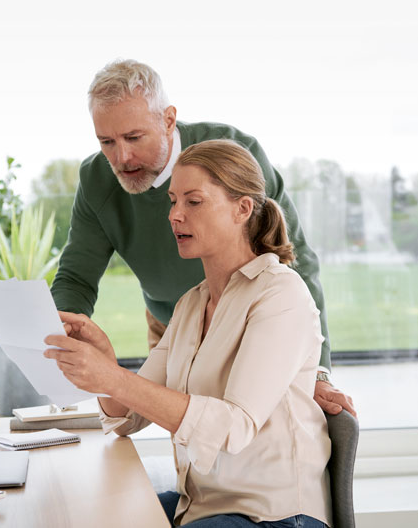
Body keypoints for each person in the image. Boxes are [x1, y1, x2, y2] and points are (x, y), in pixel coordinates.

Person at [44, 139, 332, 527]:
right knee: (88, 515)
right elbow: (126, 418)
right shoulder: (191, 305)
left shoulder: (280, 293)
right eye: (173, 201)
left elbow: (234, 427)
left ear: (242, 209)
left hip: (273, 516)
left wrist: (114, 378)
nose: (175, 215)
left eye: (193, 202)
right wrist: (106, 366)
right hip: (200, 505)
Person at [50, 59, 355, 418]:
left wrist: (317, 371)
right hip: (172, 321)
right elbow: (76, 276)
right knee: (185, 437)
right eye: (106, 142)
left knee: (244, 429)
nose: (122, 157)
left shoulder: (235, 153)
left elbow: (296, 258)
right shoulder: (97, 179)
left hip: (252, 316)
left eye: (133, 137)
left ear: (168, 120)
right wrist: (59, 336)